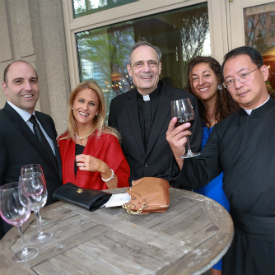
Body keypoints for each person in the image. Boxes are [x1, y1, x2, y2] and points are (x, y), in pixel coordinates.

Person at [166, 46, 275, 275]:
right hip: (238, 237)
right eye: (230, 80)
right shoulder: (224, 129)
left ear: (264, 73)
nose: (237, 84)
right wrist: (178, 151)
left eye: (244, 75)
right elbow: (200, 172)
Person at [108, 40, 201, 183]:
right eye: (139, 64)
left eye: (151, 63)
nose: (146, 69)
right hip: (132, 192)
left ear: (159, 67)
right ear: (130, 70)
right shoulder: (117, 105)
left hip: (174, 191)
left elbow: (193, 155)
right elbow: (115, 153)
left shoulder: (185, 100)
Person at [186, 56, 240, 275]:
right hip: (199, 185)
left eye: (206, 75)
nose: (201, 82)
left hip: (228, 185)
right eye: (194, 78)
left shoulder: (236, 111)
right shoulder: (190, 115)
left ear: (219, 78)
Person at [0, 60, 62, 239]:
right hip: (23, 234)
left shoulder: (46, 120)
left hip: (57, 223)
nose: (28, 87)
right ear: (5, 87)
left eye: (33, 80)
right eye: (18, 81)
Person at [58, 81, 130, 190]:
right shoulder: (62, 141)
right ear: (73, 104)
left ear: (97, 111)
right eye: (81, 101)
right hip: (68, 206)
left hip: (99, 206)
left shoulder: (108, 140)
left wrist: (102, 168)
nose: (85, 108)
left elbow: (122, 187)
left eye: (92, 103)